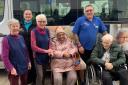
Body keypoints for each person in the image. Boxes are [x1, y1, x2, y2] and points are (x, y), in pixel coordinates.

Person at [72, 4, 107, 84]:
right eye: (87, 11)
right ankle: (82, 81)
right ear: (85, 12)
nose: (89, 12)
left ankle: (93, 79)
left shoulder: (98, 20)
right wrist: (79, 45)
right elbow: (74, 33)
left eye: (91, 10)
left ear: (93, 11)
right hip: (82, 48)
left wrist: (108, 39)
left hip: (94, 48)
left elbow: (104, 31)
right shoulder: (80, 20)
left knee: (94, 63)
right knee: (82, 66)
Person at [1, 18, 31, 85]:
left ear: (19, 27)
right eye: (13, 26)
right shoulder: (6, 40)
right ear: (9, 27)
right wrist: (11, 68)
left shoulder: (21, 37)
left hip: (24, 64)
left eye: (17, 26)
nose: (15, 28)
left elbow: (25, 51)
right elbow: (4, 57)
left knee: (24, 82)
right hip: (14, 66)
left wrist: (28, 61)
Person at [31, 14, 52, 85]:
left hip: (46, 57)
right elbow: (33, 47)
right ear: (36, 22)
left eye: (43, 21)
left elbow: (50, 42)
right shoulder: (33, 31)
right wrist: (46, 51)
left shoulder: (47, 30)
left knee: (44, 74)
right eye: (40, 21)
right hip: (37, 57)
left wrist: (50, 49)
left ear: (46, 22)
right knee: (40, 75)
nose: (42, 23)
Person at [20, 9, 36, 85]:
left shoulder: (35, 25)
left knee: (33, 65)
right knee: (25, 64)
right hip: (22, 49)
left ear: (32, 16)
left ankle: (33, 80)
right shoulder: (19, 25)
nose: (28, 15)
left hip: (33, 49)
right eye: (26, 14)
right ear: (23, 15)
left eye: (29, 14)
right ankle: (26, 81)